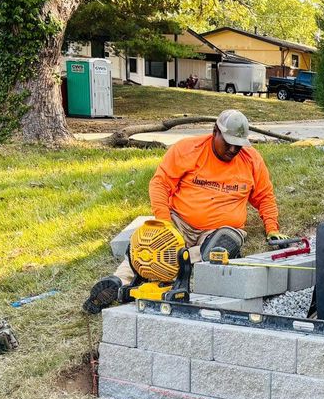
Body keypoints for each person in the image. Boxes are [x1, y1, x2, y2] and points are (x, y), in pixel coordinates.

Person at [83, 109, 284, 313]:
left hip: (220, 231)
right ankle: (118, 282)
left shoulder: (251, 160)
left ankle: (165, 266)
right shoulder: (188, 149)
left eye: (238, 145)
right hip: (179, 223)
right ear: (215, 131)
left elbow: (264, 197)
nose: (233, 149)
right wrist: (164, 224)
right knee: (150, 242)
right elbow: (160, 184)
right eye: (228, 142)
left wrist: (272, 228)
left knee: (224, 244)